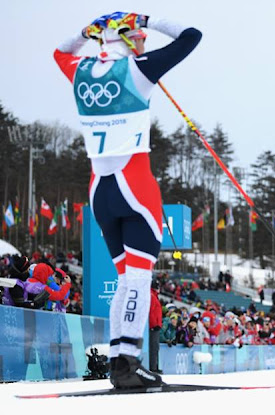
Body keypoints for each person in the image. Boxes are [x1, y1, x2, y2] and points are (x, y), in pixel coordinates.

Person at [54, 11, 202, 388]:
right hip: (134, 185)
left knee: (125, 280)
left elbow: (60, 52)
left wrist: (88, 32)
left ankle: (121, 361)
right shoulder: (137, 70)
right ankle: (127, 363)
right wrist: (148, 19)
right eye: (139, 36)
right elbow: (190, 36)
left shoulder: (81, 72)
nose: (144, 42)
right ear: (128, 36)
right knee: (137, 277)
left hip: (99, 189)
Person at [149, 279, 163, 373]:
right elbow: (150, 312)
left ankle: (155, 366)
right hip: (153, 327)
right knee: (153, 347)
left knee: (155, 347)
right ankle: (153, 367)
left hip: (156, 325)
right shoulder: (152, 296)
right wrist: (154, 324)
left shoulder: (154, 296)